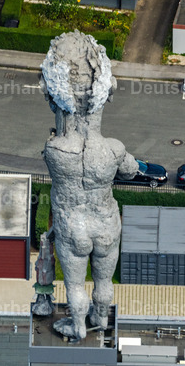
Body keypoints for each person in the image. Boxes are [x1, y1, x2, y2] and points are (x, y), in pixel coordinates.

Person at [40, 31, 138, 341]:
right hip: (106, 222)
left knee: (74, 283)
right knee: (104, 280)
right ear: (107, 93)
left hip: (73, 224)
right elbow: (131, 172)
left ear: (52, 95)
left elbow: (65, 130)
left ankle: (78, 325)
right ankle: (100, 317)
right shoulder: (113, 148)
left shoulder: (54, 150)